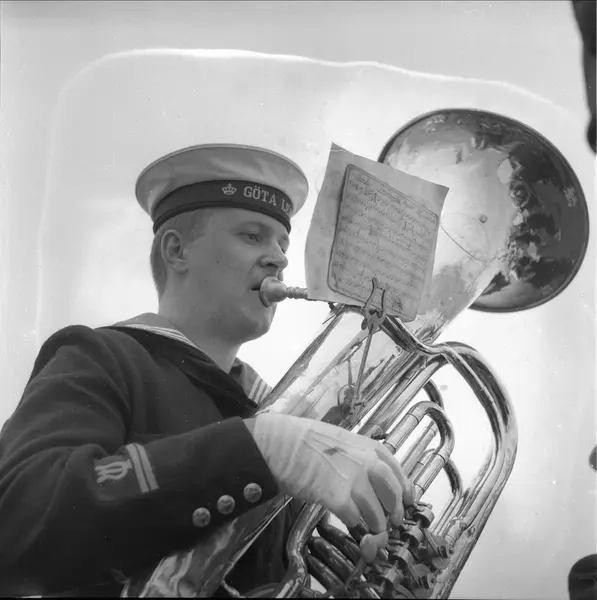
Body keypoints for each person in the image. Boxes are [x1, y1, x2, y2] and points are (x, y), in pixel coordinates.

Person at [0, 144, 414, 597]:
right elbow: (18, 520)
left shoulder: (277, 410)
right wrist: (255, 449)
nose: (279, 258)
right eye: (252, 236)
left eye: (282, 244)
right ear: (177, 250)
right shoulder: (101, 355)